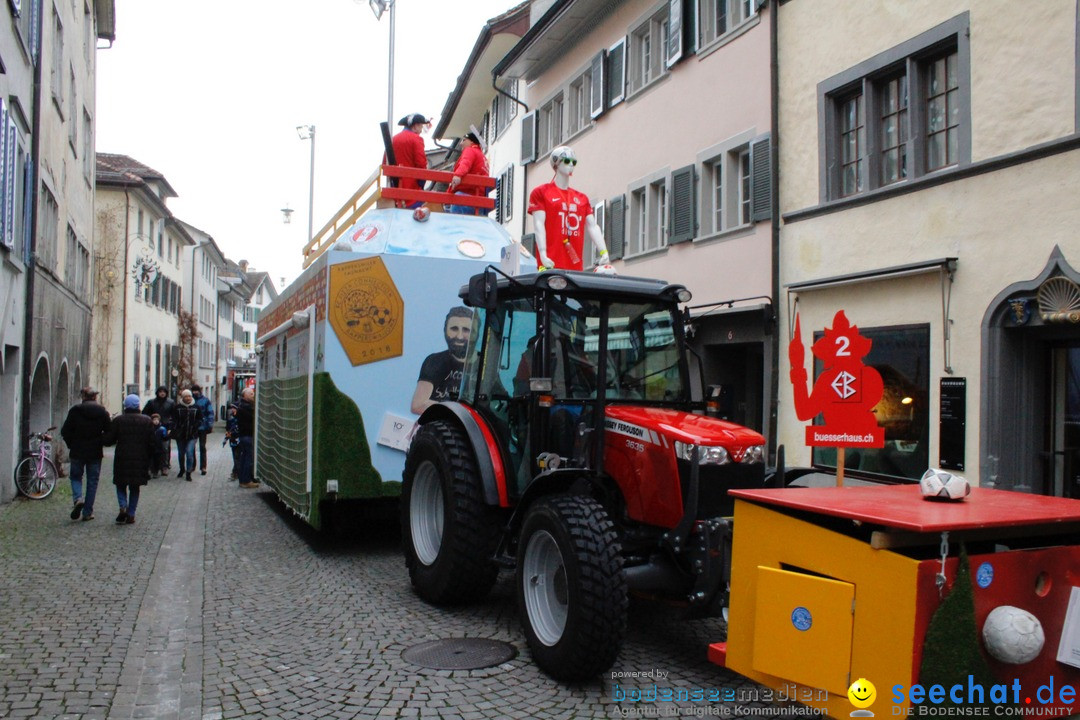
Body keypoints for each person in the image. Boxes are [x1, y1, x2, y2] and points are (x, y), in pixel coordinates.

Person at [528, 145, 612, 271]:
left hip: (575, 268)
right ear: (556, 164)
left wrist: (604, 251)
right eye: (567, 161)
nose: (571, 165)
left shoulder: (582, 198)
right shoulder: (541, 193)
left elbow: (593, 226)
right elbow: (538, 224)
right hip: (549, 265)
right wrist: (543, 254)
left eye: (574, 162)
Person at [60, 386, 111, 521]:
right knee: (92, 481)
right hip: (95, 451)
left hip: (77, 450)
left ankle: (78, 498)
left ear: (83, 396)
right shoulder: (102, 412)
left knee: (76, 477)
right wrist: (101, 441)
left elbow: (65, 431)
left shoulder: (75, 411)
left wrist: (72, 443)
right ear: (95, 396)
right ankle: (88, 512)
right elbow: (109, 431)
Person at [103, 394, 155, 525]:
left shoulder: (118, 420)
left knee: (120, 483)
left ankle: (122, 506)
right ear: (138, 405)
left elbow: (109, 440)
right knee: (135, 486)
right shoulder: (147, 421)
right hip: (140, 457)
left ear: (125, 406)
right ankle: (131, 513)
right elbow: (152, 442)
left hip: (122, 456)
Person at [411, 306, 473, 414]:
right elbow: (418, 405)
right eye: (454, 329)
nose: (459, 336)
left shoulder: (486, 366)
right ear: (445, 330)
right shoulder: (434, 361)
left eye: (466, 330)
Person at [390, 113, 430, 208]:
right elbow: (421, 163)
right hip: (412, 190)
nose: (421, 130)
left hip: (394, 190)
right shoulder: (416, 139)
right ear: (415, 126)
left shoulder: (393, 139)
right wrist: (422, 183)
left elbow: (385, 162)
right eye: (421, 126)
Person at [447, 131, 490, 215]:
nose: (460, 143)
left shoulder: (470, 150)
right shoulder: (482, 156)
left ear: (471, 141)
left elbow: (465, 163)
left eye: (464, 140)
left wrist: (457, 175)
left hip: (466, 197)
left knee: (455, 225)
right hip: (480, 200)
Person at [171, 389, 203, 481]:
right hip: (180, 435)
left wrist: (196, 426)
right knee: (181, 453)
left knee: (189, 453)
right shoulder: (177, 408)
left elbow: (200, 419)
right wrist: (175, 428)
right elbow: (174, 419)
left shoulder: (196, 407)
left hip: (192, 435)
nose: (188, 398)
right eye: (186, 396)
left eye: (189, 396)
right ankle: (182, 469)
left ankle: (189, 472)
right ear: (183, 397)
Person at [142, 385, 175, 470]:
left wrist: (171, 426)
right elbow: (144, 414)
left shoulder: (170, 403)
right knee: (153, 446)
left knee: (165, 447)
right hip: (153, 428)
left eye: (164, 392)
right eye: (160, 392)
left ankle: (165, 465)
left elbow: (174, 416)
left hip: (165, 427)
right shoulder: (151, 402)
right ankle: (153, 465)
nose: (162, 393)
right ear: (157, 393)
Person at [235, 387, 258, 488]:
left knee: (244, 457)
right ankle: (246, 480)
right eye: (251, 394)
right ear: (245, 396)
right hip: (247, 435)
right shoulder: (247, 407)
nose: (253, 396)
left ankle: (243, 480)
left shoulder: (242, 406)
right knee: (248, 458)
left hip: (244, 435)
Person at [190, 384, 215, 475]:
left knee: (202, 447)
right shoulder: (190, 401)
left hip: (202, 427)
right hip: (193, 427)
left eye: (196, 390)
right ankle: (192, 465)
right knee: (191, 447)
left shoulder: (205, 400)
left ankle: (203, 467)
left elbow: (210, 413)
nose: (195, 392)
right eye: (194, 390)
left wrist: (210, 424)